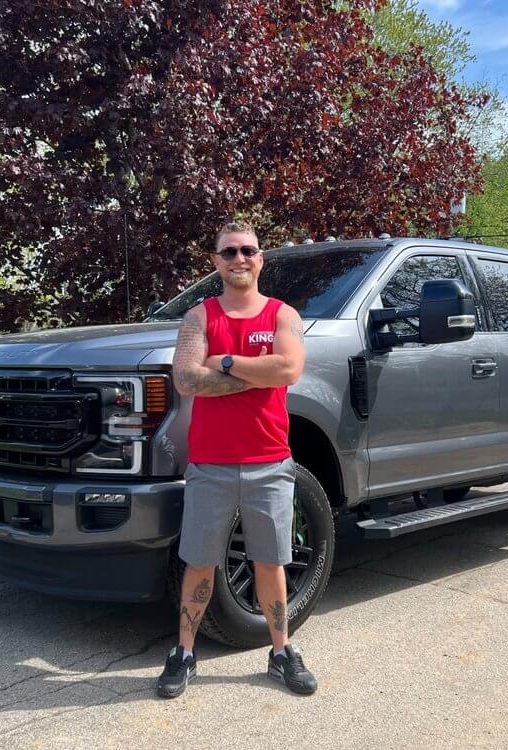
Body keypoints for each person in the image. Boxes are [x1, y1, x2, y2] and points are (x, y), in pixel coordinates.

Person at [156, 221, 317, 699]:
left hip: (271, 462)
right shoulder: (198, 317)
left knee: (270, 562)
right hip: (210, 464)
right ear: (216, 261)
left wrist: (224, 362)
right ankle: (183, 654)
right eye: (229, 252)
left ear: (260, 259)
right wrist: (259, 374)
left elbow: (289, 368)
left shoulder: (282, 314)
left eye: (248, 250)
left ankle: (282, 652)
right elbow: (185, 378)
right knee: (201, 563)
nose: (239, 259)